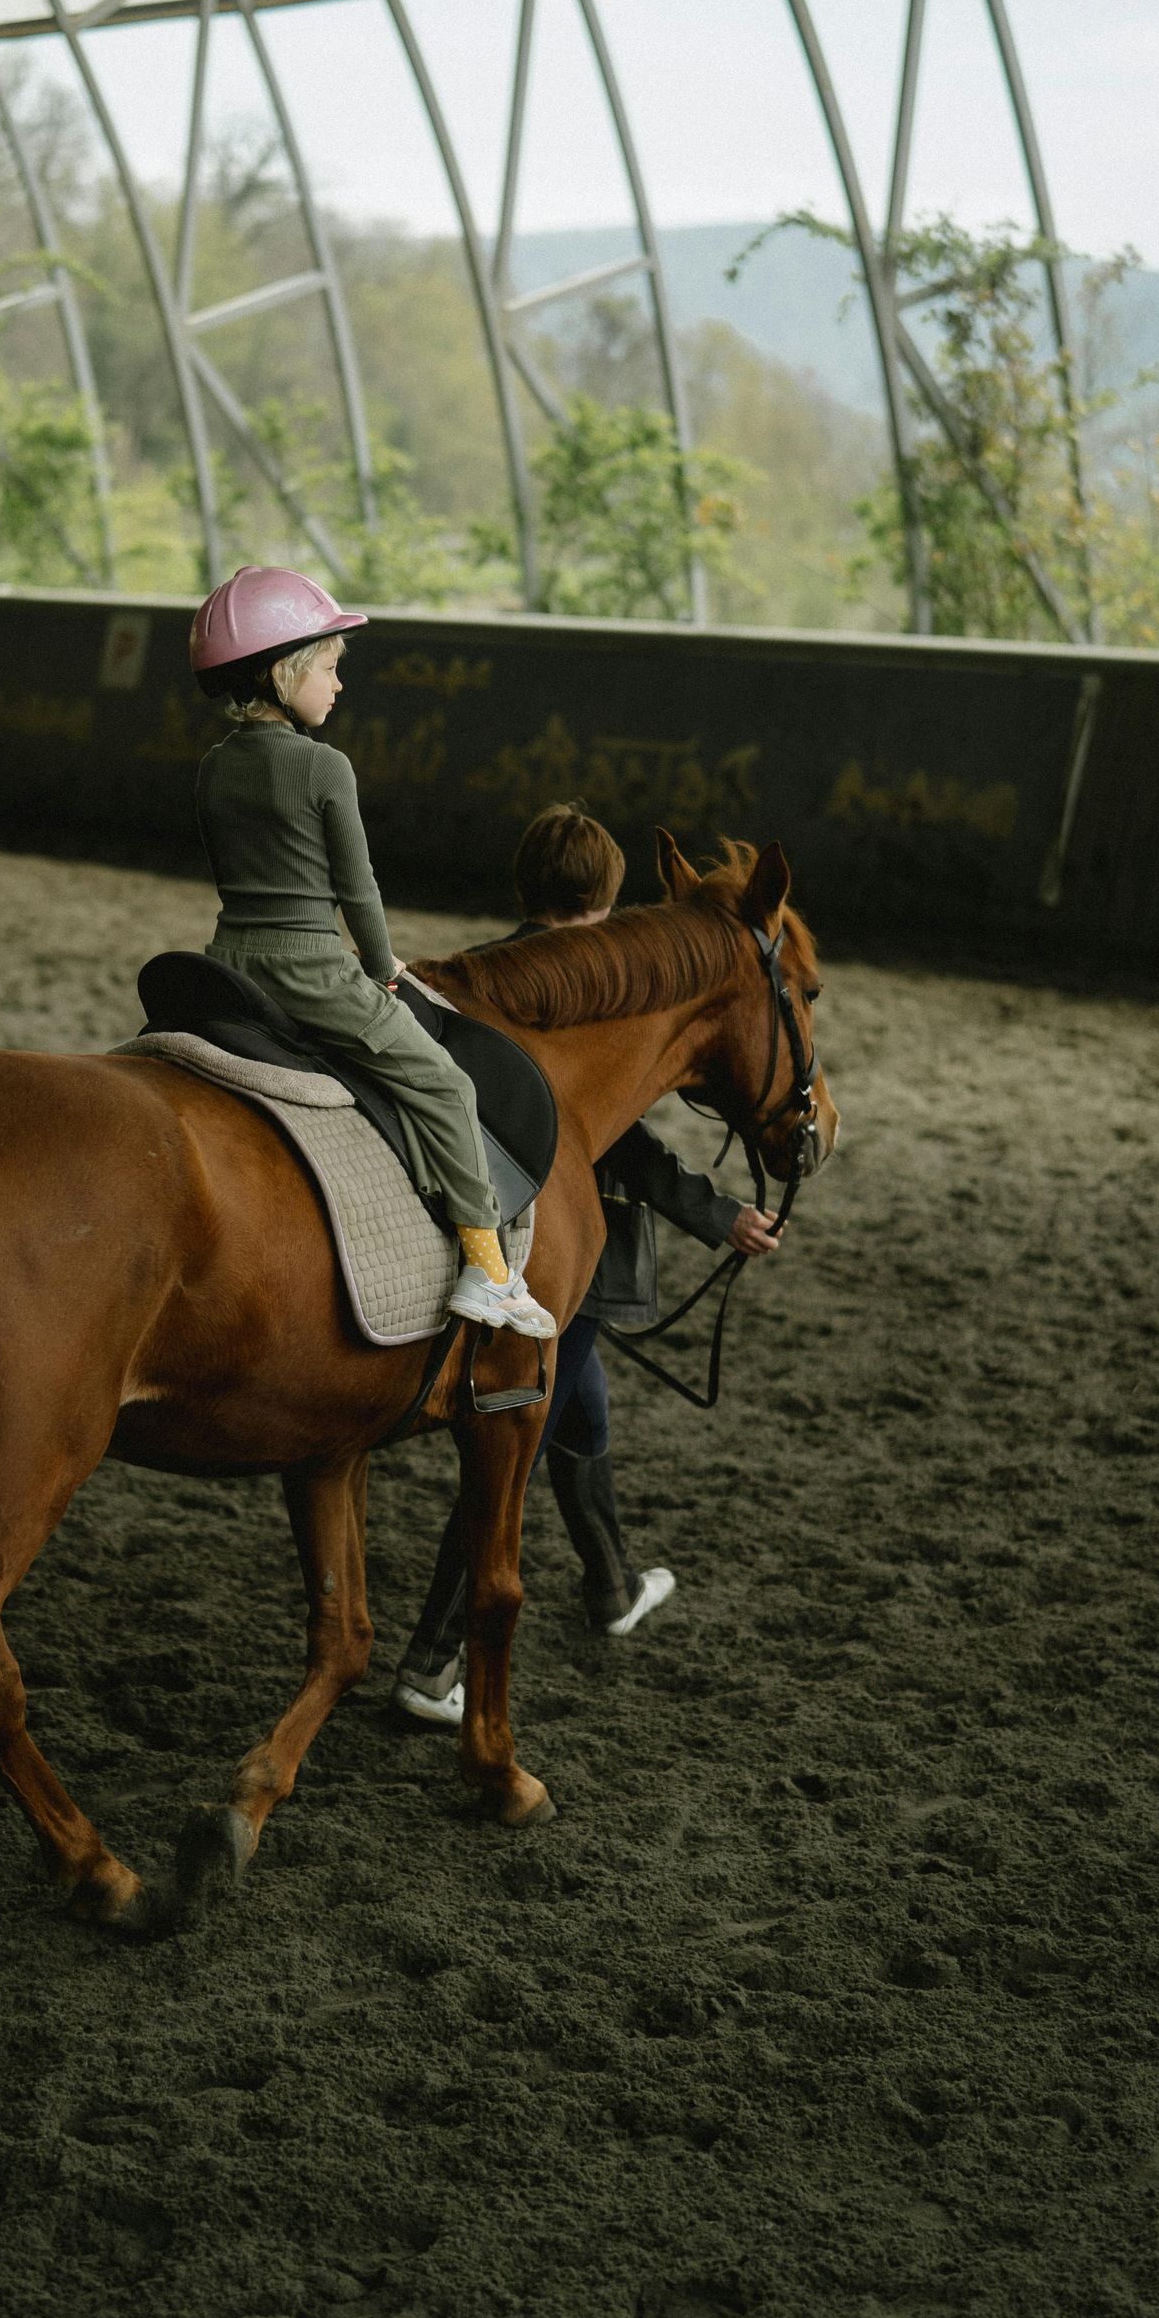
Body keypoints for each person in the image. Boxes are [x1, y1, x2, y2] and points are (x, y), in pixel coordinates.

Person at [389, 801, 781, 1724]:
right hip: (559, 1262)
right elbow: (619, 1142)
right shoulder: (586, 991)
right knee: (517, 1447)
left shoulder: (494, 975)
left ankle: (610, 1586)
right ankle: (429, 1662)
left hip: (542, 1262)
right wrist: (718, 1214)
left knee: (581, 1406)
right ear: (608, 902)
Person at [189, 566, 556, 1340]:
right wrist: (386, 968)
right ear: (284, 671)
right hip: (312, 972)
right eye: (329, 667)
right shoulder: (325, 767)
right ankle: (489, 1271)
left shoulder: (215, 767)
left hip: (228, 963)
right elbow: (358, 894)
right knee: (446, 1085)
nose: (338, 685)